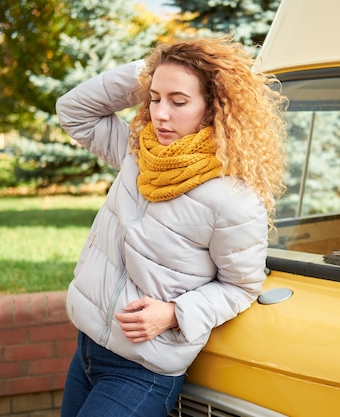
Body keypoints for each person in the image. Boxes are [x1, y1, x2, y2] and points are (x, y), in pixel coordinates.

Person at [55, 36, 288, 417]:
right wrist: (154, 70)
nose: (161, 113)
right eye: (155, 98)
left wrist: (174, 313)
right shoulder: (138, 152)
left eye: (179, 102)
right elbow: (74, 110)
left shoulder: (234, 200)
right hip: (87, 350)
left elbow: (241, 286)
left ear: (214, 107)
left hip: (142, 371)